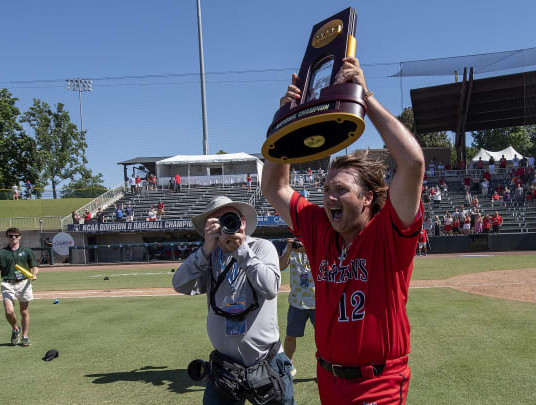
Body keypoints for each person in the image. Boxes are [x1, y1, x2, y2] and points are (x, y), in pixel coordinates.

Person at [262, 57, 423, 404]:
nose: (329, 196)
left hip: (378, 381)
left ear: (367, 198)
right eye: (326, 189)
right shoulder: (320, 227)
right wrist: (285, 123)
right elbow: (274, 186)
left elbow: (412, 163)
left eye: (341, 190)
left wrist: (365, 97)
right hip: (328, 379)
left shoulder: (388, 233)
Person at [172, 196, 293, 404]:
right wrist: (204, 250)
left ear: (243, 222)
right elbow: (180, 284)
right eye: (217, 221)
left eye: (230, 218)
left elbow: (271, 288)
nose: (226, 225)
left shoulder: (261, 248)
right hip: (224, 368)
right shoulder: (209, 257)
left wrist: (241, 251)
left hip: (266, 361)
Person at [0, 228, 38, 347]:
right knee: (9, 311)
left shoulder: (26, 251)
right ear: (7, 237)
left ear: (20, 237)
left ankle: (25, 336)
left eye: (16, 236)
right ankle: (16, 329)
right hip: (7, 283)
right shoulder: (2, 252)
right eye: (11, 236)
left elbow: (34, 266)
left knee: (24, 311)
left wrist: (34, 274)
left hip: (23, 283)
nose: (13, 238)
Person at [279, 238, 315, 377]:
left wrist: (306, 248)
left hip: (317, 302)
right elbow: (281, 266)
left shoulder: (317, 245)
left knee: (323, 338)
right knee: (290, 337)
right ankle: (288, 365)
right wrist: (288, 249)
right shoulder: (291, 249)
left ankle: (326, 367)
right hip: (296, 302)